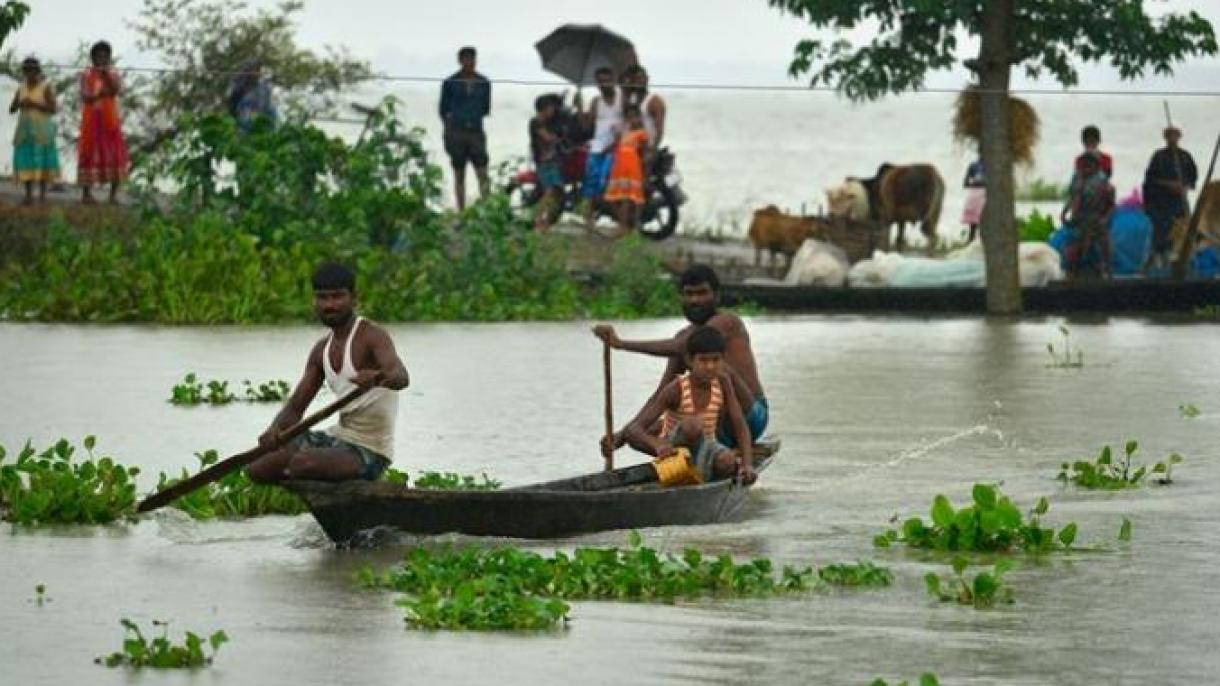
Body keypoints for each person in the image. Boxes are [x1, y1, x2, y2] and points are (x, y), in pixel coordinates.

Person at [248, 262, 410, 484]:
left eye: (337, 297)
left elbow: (401, 376)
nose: (329, 305)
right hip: (338, 440)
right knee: (258, 468)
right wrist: (274, 431)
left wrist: (379, 377)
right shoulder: (321, 350)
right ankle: (329, 479)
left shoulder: (372, 335)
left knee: (301, 463)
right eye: (322, 298)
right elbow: (295, 408)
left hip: (370, 449)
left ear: (354, 298)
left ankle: (340, 477)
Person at [594, 264, 768, 453]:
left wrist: (621, 344)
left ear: (716, 296)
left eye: (702, 293)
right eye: (689, 294)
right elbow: (663, 391)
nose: (695, 300)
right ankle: (681, 460)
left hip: (750, 416)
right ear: (681, 297)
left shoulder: (727, 322)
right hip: (714, 425)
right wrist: (622, 436)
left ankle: (722, 455)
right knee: (642, 431)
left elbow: (682, 346)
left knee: (720, 370)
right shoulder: (683, 336)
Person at [617, 326, 756, 485]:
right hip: (674, 451)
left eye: (715, 360)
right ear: (690, 361)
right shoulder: (676, 388)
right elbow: (634, 430)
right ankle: (682, 471)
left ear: (723, 360)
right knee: (693, 424)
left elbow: (740, 424)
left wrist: (747, 464)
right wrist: (658, 445)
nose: (710, 366)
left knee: (728, 461)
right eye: (703, 360)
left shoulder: (723, 381)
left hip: (705, 447)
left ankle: (700, 474)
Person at [439, 46, 491, 211]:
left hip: (476, 131)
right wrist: (448, 130)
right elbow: (443, 109)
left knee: (482, 171)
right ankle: (461, 210)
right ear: (460, 61)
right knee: (459, 172)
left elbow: (485, 108)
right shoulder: (450, 83)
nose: (470, 63)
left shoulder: (484, 82)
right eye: (466, 59)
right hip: (456, 131)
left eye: (472, 59)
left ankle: (487, 208)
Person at [78, 40, 129, 204]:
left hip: (109, 122)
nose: (102, 59)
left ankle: (113, 195)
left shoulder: (113, 74)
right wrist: (99, 95)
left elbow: (115, 90)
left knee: (114, 154)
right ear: (93, 58)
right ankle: (86, 194)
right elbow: (85, 95)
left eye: (105, 56)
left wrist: (106, 75)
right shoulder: (87, 74)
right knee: (88, 153)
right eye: (98, 56)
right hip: (91, 121)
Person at [1142, 126, 1198, 266]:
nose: (1172, 139)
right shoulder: (1158, 156)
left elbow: (1193, 178)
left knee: (1182, 231)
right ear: (1165, 138)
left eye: (1175, 136)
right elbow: (1150, 180)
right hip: (1161, 204)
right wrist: (1169, 185)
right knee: (1161, 233)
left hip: (1179, 203)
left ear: (1179, 137)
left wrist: (1184, 186)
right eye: (1169, 136)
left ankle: (1182, 260)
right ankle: (1159, 260)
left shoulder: (1185, 157)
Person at [9, 57, 60, 206]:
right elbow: (12, 109)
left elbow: (53, 109)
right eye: (27, 70)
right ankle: (29, 195)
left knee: (43, 162)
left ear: (38, 71)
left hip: (42, 131)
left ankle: (43, 196)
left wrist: (34, 104)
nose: (30, 73)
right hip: (25, 131)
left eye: (33, 70)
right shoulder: (22, 88)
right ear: (24, 72)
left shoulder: (45, 87)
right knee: (26, 162)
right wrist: (19, 104)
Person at [577, 66, 623, 225]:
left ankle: (620, 218)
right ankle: (588, 220)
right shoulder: (596, 102)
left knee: (605, 182)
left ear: (614, 81)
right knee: (590, 184)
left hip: (616, 148)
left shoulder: (622, 99)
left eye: (607, 80)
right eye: (600, 81)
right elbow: (586, 127)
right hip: (597, 147)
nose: (604, 84)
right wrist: (579, 108)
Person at [1061, 152, 1116, 278]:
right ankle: (1072, 271)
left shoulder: (1103, 183)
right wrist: (1065, 213)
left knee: (1104, 244)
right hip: (1080, 217)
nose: (1085, 169)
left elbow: (1111, 205)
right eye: (1083, 166)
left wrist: (1105, 218)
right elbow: (1072, 197)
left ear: (1096, 167)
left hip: (1096, 217)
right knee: (1075, 245)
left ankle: (1108, 270)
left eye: (1088, 166)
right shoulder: (1077, 178)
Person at [602, 106, 649, 236]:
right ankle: (624, 225)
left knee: (631, 199)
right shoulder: (623, 133)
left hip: (632, 167)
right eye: (629, 117)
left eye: (635, 117)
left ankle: (629, 227)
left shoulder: (641, 134)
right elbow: (616, 146)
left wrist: (645, 170)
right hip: (619, 167)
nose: (633, 120)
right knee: (616, 198)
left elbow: (645, 153)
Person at [529, 94, 564, 232]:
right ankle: (538, 220)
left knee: (556, 191)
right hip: (543, 162)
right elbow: (548, 138)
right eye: (550, 108)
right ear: (544, 109)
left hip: (552, 160)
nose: (553, 111)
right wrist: (557, 137)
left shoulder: (550, 122)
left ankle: (546, 221)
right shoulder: (536, 122)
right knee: (549, 191)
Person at [621, 65, 666, 149]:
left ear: (647, 79)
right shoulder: (630, 98)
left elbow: (659, 130)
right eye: (635, 79)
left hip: (647, 146)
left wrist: (653, 150)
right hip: (631, 145)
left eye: (641, 78)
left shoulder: (655, 101)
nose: (638, 81)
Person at [228, 58, 278, 132]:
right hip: (245, 119)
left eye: (258, 69)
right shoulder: (239, 83)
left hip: (263, 119)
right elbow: (233, 102)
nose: (258, 71)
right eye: (256, 69)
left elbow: (268, 104)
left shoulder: (264, 86)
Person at [961, 157, 985, 242]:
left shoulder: (974, 165)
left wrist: (974, 183)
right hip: (985, 193)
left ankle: (971, 240)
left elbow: (965, 183)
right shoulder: (993, 165)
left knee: (973, 223)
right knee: (983, 220)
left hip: (974, 193)